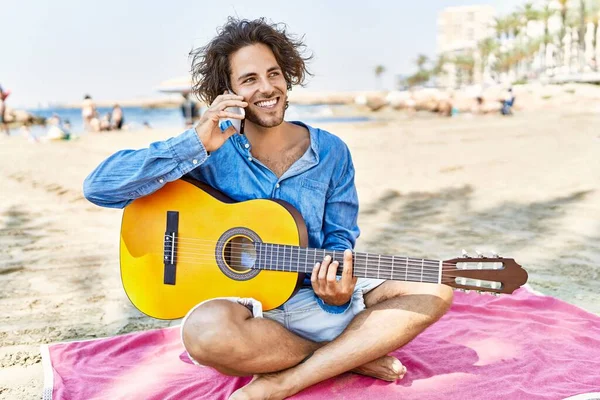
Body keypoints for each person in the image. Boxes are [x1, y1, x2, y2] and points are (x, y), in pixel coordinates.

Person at [83, 17, 453, 400]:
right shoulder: (208, 150)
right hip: (249, 314)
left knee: (438, 285)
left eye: (273, 73)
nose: (266, 88)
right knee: (204, 334)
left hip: (318, 303)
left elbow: (340, 237)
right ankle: (345, 356)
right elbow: (99, 188)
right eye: (249, 80)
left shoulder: (331, 152)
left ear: (287, 77)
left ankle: (286, 380)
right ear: (228, 91)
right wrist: (195, 142)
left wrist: (336, 292)